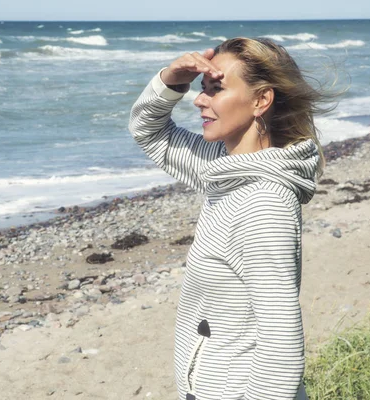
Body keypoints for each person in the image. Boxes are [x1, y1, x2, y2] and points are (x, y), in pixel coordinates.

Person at [129, 37, 330, 400]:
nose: (199, 99)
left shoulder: (264, 204)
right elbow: (148, 130)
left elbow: (281, 343)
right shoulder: (221, 168)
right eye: (201, 88)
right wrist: (172, 79)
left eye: (215, 89)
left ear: (260, 100)